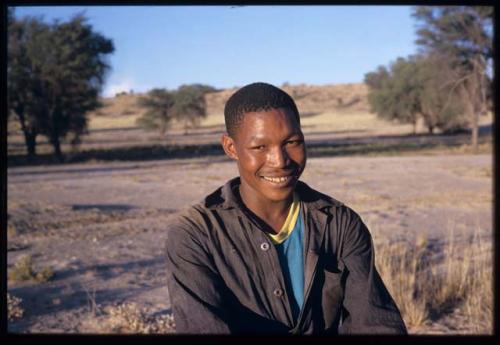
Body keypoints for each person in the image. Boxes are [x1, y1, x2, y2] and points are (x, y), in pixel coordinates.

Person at [164, 82, 407, 334]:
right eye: (260, 147)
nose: (280, 161)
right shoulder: (194, 234)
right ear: (231, 148)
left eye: (292, 142)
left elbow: (375, 322)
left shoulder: (339, 223)